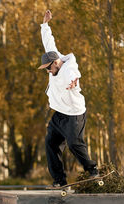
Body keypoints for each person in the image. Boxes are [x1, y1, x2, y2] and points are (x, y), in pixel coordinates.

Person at [38, 10, 98, 187]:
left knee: (73, 143)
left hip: (74, 114)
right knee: (50, 143)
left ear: (56, 63)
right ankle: (59, 181)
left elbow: (75, 75)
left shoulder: (68, 70)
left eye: (49, 69)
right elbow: (48, 42)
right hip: (60, 114)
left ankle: (92, 170)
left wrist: (74, 83)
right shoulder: (54, 56)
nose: (48, 72)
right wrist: (45, 24)